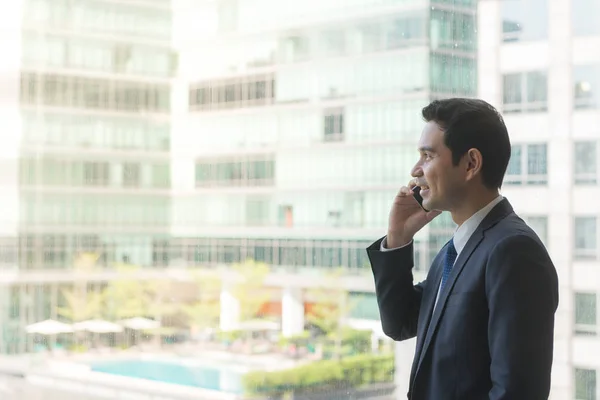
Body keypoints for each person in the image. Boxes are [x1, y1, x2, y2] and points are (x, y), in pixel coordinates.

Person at [366, 98, 559, 400]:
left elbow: (517, 393)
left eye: (427, 156)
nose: (415, 170)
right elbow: (400, 323)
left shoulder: (514, 251)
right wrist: (398, 237)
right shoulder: (454, 251)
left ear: (471, 163)